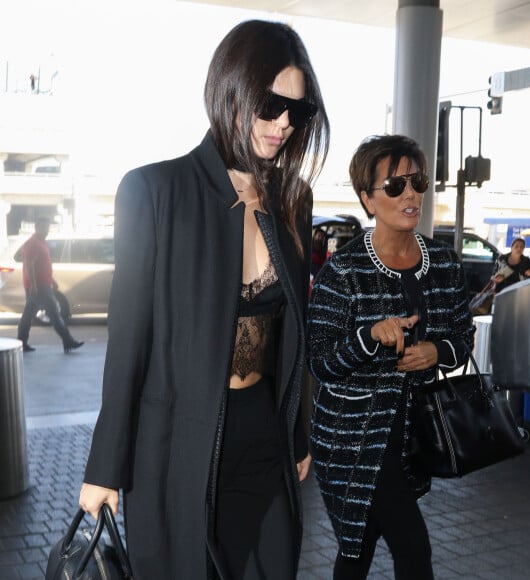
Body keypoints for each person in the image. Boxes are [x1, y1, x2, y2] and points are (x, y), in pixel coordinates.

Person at [78, 20, 330, 580]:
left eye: (300, 112)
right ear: (230, 89)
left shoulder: (293, 200)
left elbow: (296, 333)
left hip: (263, 433)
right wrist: (104, 468)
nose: (284, 124)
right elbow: (129, 343)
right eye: (270, 105)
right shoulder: (154, 192)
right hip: (176, 447)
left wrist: (297, 431)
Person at [307, 134, 475, 580]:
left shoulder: (443, 262)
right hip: (354, 440)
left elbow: (463, 336)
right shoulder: (342, 273)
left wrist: (437, 351)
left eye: (417, 181)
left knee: (357, 550)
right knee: (413, 548)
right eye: (396, 186)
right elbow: (320, 362)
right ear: (367, 198)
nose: (412, 194)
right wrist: (368, 337)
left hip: (411, 437)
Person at [17, 216, 84, 353]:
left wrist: (52, 281)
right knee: (54, 313)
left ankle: (22, 342)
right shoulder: (33, 243)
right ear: (37, 227)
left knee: (28, 315)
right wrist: (34, 285)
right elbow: (29, 266)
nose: (46, 230)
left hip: (43, 285)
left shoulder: (42, 243)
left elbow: (43, 265)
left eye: (47, 227)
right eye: (43, 227)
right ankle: (68, 340)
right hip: (39, 287)